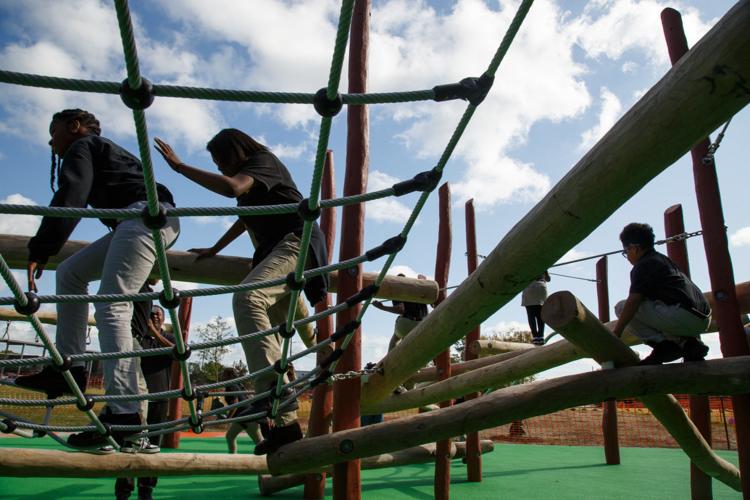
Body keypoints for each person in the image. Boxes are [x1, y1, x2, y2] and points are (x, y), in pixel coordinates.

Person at [154, 129, 328, 455]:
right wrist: (214, 249)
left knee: (249, 297)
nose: (220, 168)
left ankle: (273, 392)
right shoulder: (252, 188)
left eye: (221, 161)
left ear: (238, 152)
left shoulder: (264, 163)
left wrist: (179, 167)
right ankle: (287, 426)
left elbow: (232, 188)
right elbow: (244, 218)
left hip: (295, 242)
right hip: (272, 255)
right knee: (287, 325)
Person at [16, 109, 179, 449]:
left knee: (112, 306)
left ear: (74, 127)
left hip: (145, 217)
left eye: (54, 131)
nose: (50, 140)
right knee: (70, 273)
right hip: (139, 221)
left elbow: (72, 195)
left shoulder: (84, 145)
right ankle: (70, 367)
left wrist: (41, 247)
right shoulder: (100, 151)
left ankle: (125, 415)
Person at [612, 223, 711, 365]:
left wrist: (617, 332)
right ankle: (689, 344)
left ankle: (664, 346)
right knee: (654, 306)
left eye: (626, 252)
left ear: (634, 248)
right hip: (703, 319)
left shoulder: (643, 265)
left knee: (621, 308)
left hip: (682, 316)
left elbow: (633, 301)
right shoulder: (663, 260)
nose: (627, 256)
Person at [115, 283, 174, 500]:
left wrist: (156, 333)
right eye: (152, 314)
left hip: (159, 398)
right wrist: (146, 332)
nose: (155, 317)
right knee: (129, 442)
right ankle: (124, 487)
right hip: (136, 399)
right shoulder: (137, 340)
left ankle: (146, 488)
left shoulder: (170, 339)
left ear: (163, 319)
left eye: (159, 315)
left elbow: (177, 354)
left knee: (153, 445)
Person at [372, 274, 429, 352]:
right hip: (424, 324)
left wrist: (382, 307)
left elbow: (400, 309)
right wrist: (421, 280)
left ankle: (390, 361)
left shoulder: (397, 289)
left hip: (406, 325)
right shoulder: (417, 288)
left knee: (395, 340)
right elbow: (423, 279)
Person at [521, 271, 550, 346]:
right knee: (540, 316)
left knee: (531, 315)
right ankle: (541, 336)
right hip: (541, 287)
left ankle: (535, 337)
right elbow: (548, 279)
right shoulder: (543, 263)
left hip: (529, 287)